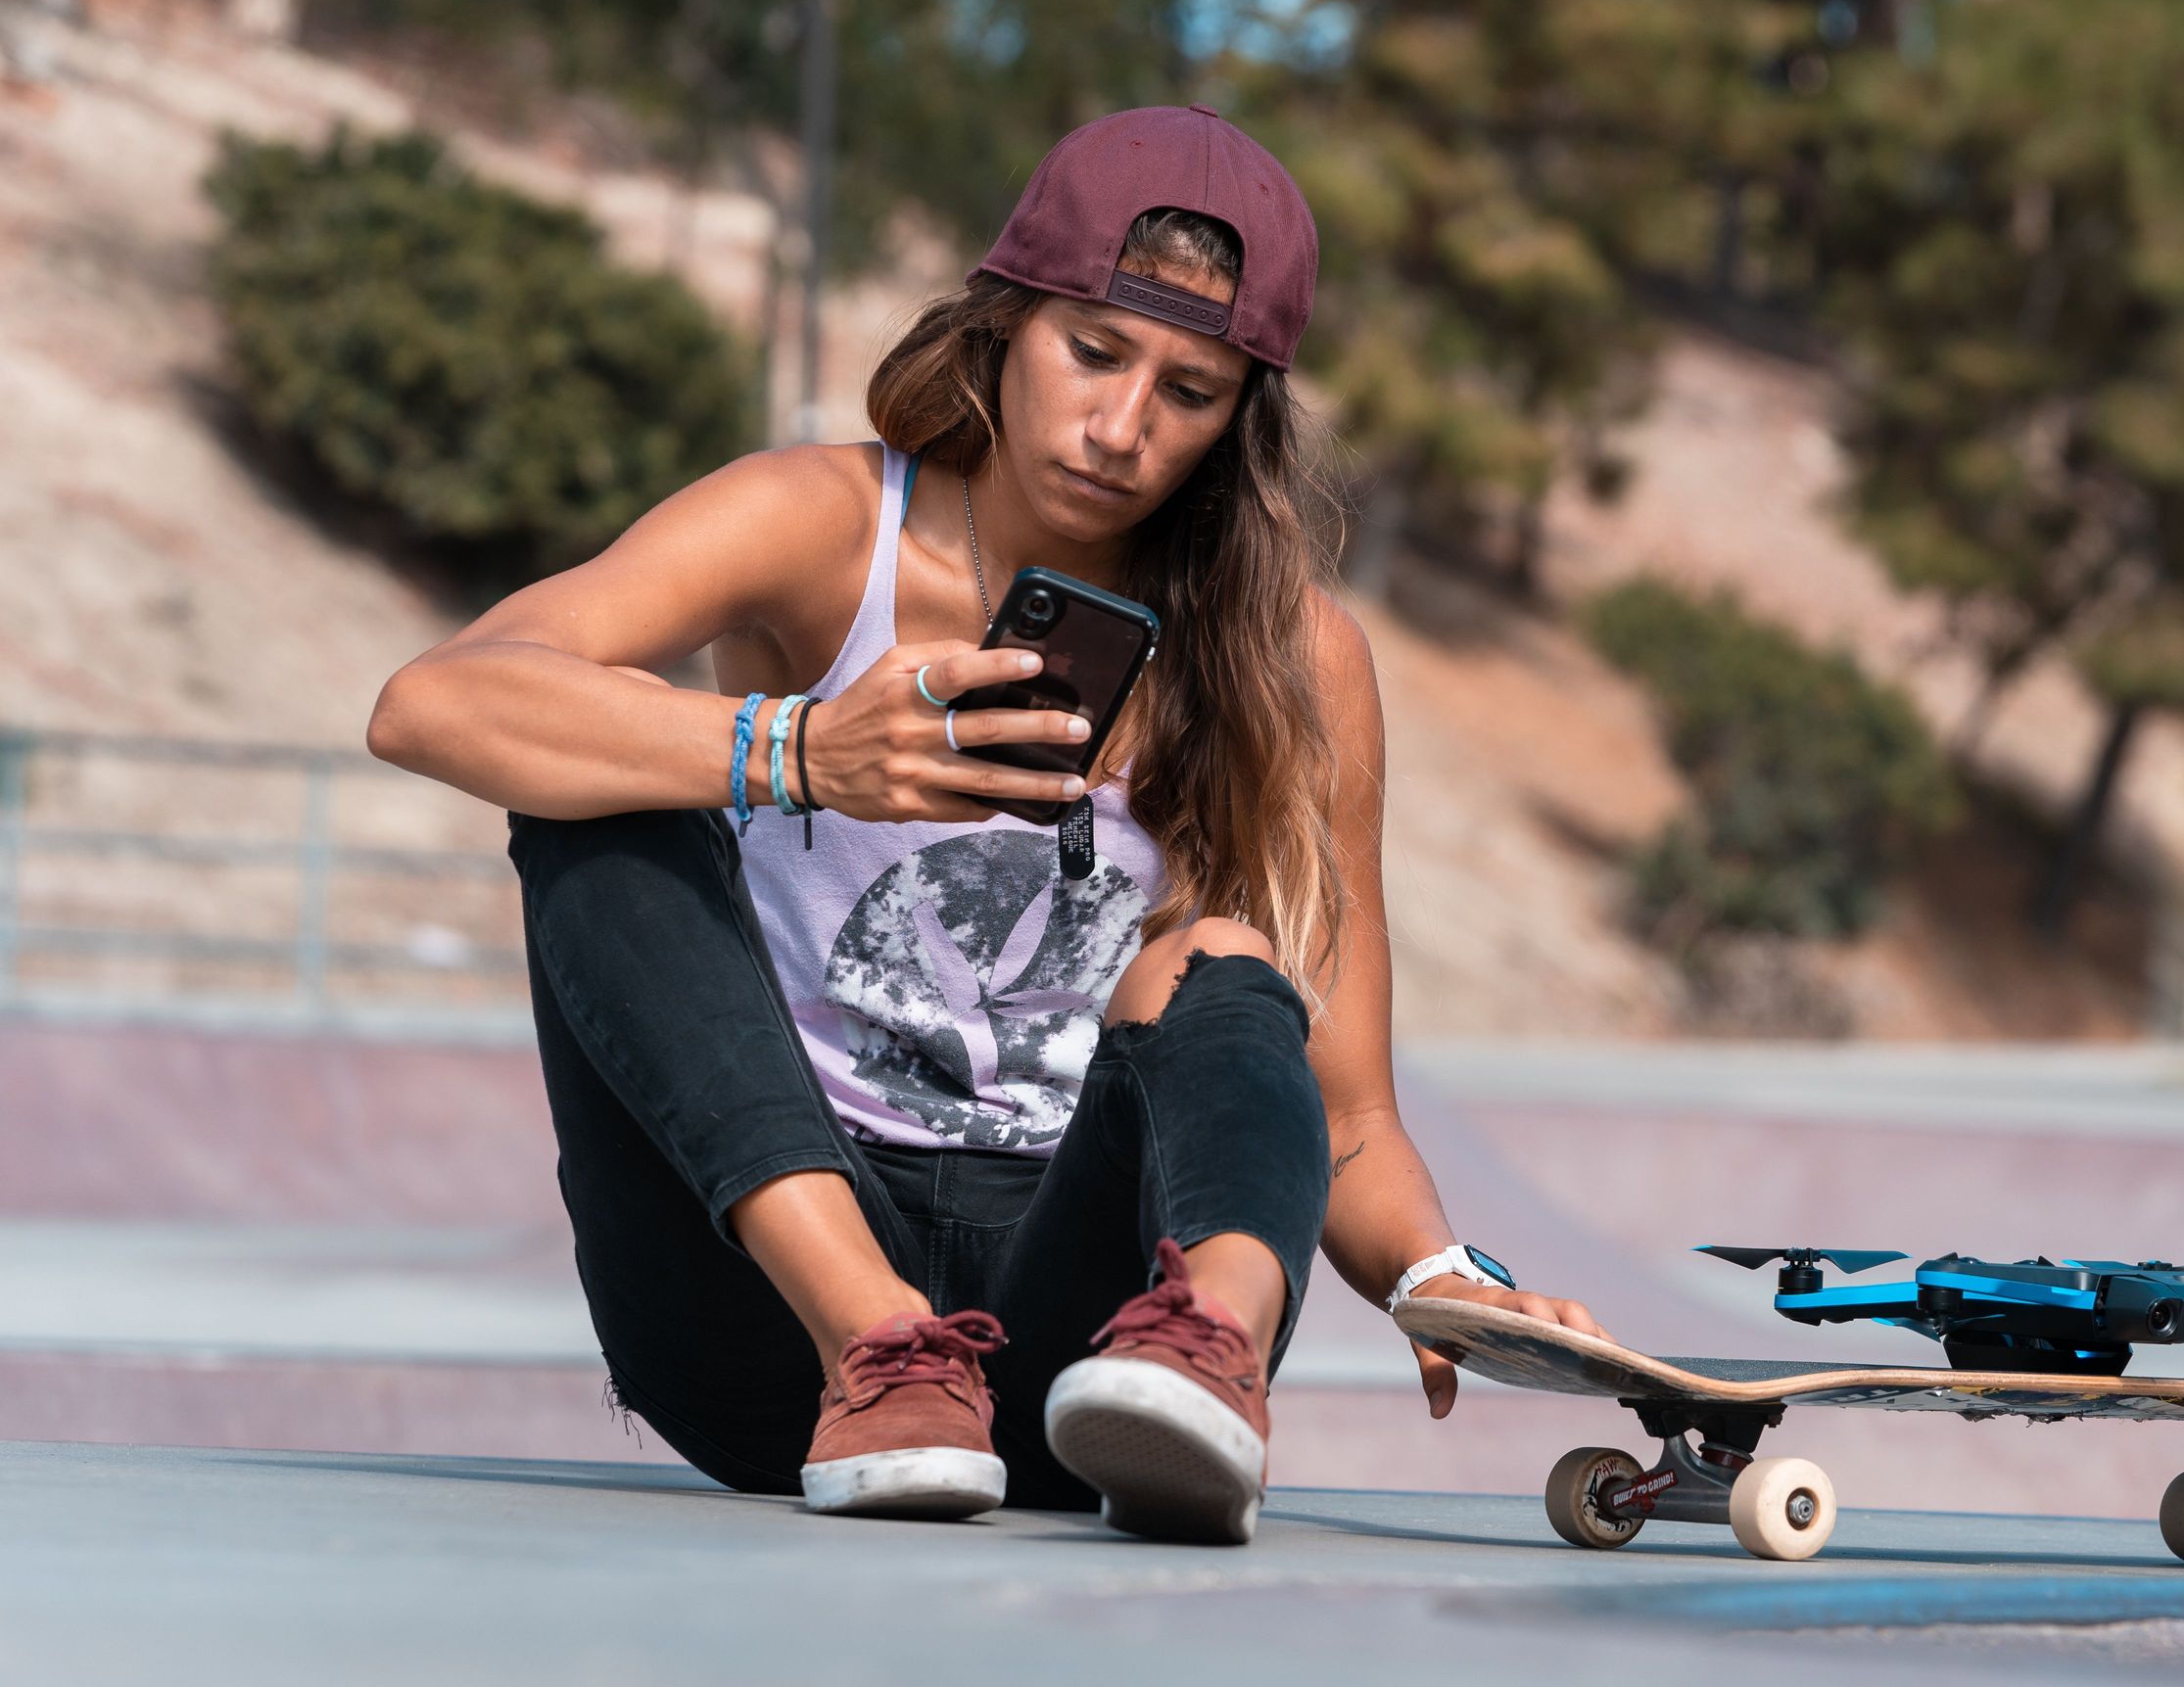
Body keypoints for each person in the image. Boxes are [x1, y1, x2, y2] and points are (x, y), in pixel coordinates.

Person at [368, 104, 1603, 1544]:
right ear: (1005, 327)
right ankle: (877, 1342)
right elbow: (433, 703)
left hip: (1090, 1347)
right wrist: (804, 750)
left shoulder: (1294, 658)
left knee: (1219, 960)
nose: (1124, 428)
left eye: (1190, 391)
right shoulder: (822, 526)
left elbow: (1347, 1112)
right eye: (1093, 353)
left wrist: (1441, 1276)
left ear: (1240, 420)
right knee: (601, 799)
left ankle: (1210, 1351)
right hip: (772, 1310)